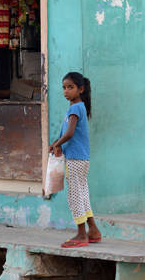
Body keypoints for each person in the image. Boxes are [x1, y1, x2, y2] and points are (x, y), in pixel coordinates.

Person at [49, 72, 102, 248]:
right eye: (64, 88)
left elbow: (70, 133)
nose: (66, 91)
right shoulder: (77, 107)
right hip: (81, 158)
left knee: (74, 195)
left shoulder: (75, 108)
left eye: (70, 88)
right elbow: (67, 132)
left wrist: (57, 144)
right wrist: (56, 143)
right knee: (82, 193)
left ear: (80, 89)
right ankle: (93, 230)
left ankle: (81, 234)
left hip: (75, 158)